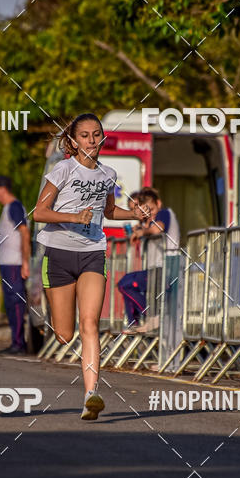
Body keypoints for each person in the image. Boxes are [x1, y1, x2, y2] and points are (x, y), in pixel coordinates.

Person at [33, 113, 149, 421]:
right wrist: (73, 218)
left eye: (96, 134)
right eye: (85, 135)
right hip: (58, 254)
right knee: (64, 334)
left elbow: (109, 211)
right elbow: (39, 213)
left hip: (92, 253)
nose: (92, 141)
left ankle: (90, 396)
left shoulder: (107, 173)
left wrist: (136, 215)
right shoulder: (63, 169)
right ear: (73, 141)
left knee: (90, 324)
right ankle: (55, 311)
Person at [117, 187, 180, 332]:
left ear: (158, 204)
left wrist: (143, 231)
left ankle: (154, 317)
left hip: (166, 267)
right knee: (125, 284)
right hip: (156, 267)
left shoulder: (164, 213)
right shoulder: (151, 219)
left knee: (125, 284)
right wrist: (141, 227)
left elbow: (158, 229)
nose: (149, 213)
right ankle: (136, 322)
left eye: (151, 209)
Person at [0, 175, 30, 356]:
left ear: (2, 189)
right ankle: (16, 341)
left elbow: (25, 233)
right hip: (9, 264)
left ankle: (19, 343)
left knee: (15, 302)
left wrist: (25, 263)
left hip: (15, 263)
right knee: (10, 303)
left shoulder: (14, 207)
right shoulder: (8, 208)